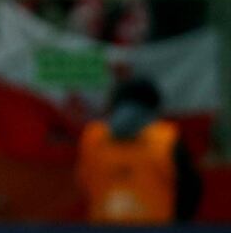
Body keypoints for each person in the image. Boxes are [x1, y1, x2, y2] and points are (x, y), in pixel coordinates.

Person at [77, 77, 201, 224]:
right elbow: (190, 190)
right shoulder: (167, 140)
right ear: (154, 106)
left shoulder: (92, 138)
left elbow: (84, 184)